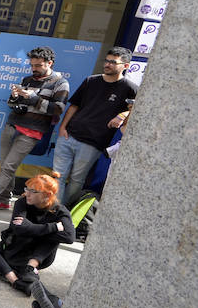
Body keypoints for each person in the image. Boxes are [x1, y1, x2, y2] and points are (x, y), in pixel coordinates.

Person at [0, 46, 69, 212]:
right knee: (5, 167)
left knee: (8, 167)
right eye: (32, 65)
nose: (34, 69)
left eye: (38, 66)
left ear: (49, 63)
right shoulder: (28, 79)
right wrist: (15, 98)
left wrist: (32, 98)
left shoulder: (60, 83)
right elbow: (13, 105)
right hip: (12, 125)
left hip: (32, 131)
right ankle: (4, 200)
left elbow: (57, 109)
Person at [51, 46, 136, 206]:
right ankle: (54, 212)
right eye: (107, 60)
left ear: (125, 66)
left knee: (77, 181)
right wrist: (62, 128)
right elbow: (74, 106)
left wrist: (122, 115)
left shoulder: (130, 88)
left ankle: (63, 212)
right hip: (69, 135)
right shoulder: (91, 80)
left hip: (93, 143)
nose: (108, 64)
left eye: (113, 62)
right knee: (58, 176)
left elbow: (137, 110)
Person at [0, 173, 75, 294]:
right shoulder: (22, 203)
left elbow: (69, 237)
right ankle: (14, 279)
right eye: (27, 189)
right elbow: (18, 229)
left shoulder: (59, 211)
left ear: (46, 195)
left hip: (37, 256)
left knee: (53, 238)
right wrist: (52, 227)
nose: (27, 193)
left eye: (33, 191)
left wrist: (30, 227)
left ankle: (30, 267)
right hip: (13, 251)